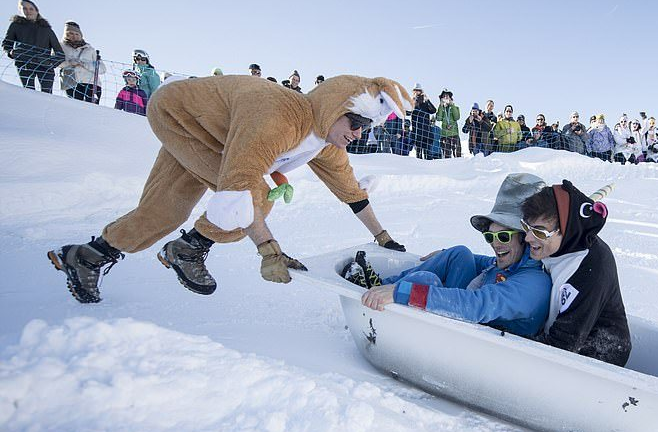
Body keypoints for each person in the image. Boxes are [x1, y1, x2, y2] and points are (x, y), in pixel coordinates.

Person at [49, 75, 411, 304]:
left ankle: (86, 257)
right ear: (337, 107)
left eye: (367, 127)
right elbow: (241, 183)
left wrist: (383, 237)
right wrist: (270, 251)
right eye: (357, 122)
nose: (359, 133)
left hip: (215, 138)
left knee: (166, 210)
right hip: (179, 115)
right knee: (250, 198)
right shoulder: (282, 116)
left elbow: (351, 191)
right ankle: (188, 249)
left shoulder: (327, 142)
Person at [360, 174, 551, 337]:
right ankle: (378, 285)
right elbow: (483, 262)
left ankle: (385, 300)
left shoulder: (533, 284)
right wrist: (444, 255)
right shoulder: (513, 263)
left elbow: (476, 305)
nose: (495, 243)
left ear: (525, 239)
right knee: (460, 253)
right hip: (465, 325)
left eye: (503, 236)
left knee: (424, 280)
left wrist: (400, 293)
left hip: (473, 340)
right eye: (489, 236)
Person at [519, 180, 631, 366]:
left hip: (595, 356)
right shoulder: (555, 242)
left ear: (567, 230)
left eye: (539, 232)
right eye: (526, 227)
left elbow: (563, 345)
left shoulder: (590, 267)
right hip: (561, 334)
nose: (528, 237)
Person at [3, 0, 64, 93]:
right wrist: (12, 53)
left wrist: (51, 63)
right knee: (29, 92)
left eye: (31, 9)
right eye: (25, 8)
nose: (28, 11)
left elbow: (60, 53)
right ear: (21, 10)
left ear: (36, 11)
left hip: (44, 66)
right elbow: (7, 43)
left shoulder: (46, 29)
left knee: (47, 94)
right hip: (24, 63)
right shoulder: (16, 25)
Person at [59, 21, 101, 103]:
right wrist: (70, 63)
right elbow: (55, 62)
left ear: (81, 35)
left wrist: (84, 64)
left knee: (91, 108)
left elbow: (102, 69)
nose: (74, 36)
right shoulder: (61, 47)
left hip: (91, 82)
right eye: (70, 33)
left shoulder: (89, 49)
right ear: (65, 34)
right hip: (70, 82)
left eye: (77, 34)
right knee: (76, 107)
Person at [410, 83, 436, 159]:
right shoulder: (412, 102)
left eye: (418, 90)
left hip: (426, 131)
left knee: (427, 153)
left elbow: (433, 110)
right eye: (415, 91)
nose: (417, 92)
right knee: (418, 153)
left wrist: (427, 100)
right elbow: (407, 112)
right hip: (416, 131)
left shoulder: (425, 102)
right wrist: (412, 104)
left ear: (421, 91)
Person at [436, 88, 461, 158]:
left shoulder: (456, 107)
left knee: (457, 155)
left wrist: (452, 105)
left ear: (450, 98)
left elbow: (457, 117)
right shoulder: (441, 108)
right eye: (444, 96)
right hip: (445, 135)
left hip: (454, 134)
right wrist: (441, 106)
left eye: (448, 96)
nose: (446, 98)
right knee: (446, 156)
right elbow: (438, 118)